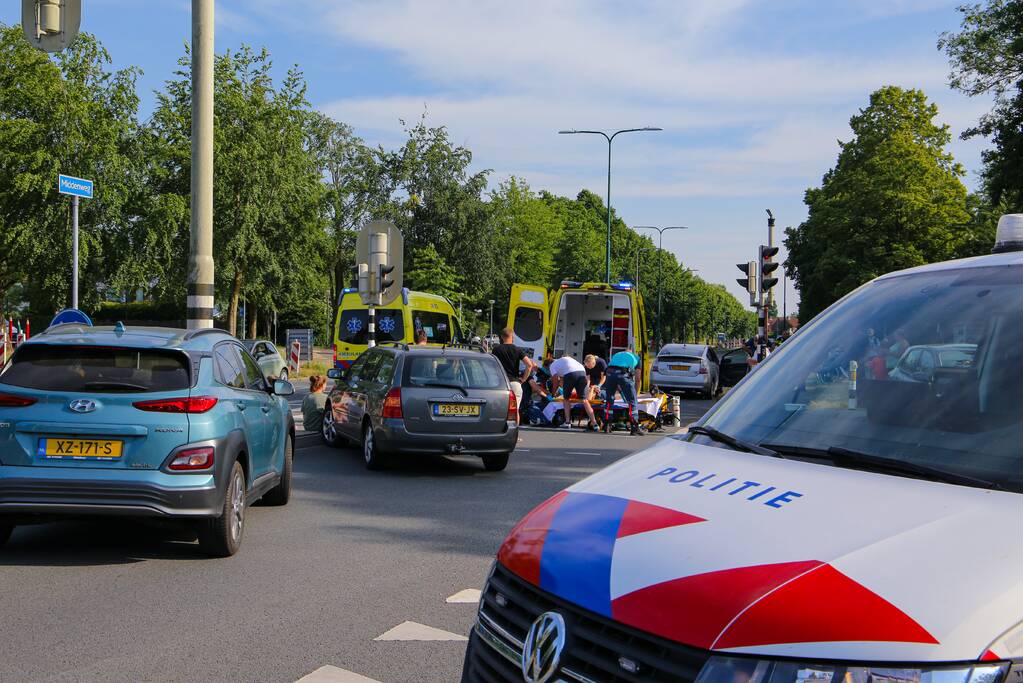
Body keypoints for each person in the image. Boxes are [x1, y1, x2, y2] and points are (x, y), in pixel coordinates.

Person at [491, 327, 536, 419]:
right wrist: (523, 379)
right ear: (512, 336)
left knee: (499, 411)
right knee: (515, 412)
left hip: (500, 384)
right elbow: (529, 365)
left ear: (501, 337)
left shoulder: (496, 350)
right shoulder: (517, 350)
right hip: (514, 383)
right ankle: (514, 431)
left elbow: (491, 366)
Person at [549, 354, 599, 430]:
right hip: (582, 372)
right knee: (584, 400)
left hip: (571, 374)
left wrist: (553, 393)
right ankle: (595, 423)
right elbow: (562, 380)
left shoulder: (552, 366)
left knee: (566, 399)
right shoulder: (565, 361)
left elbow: (556, 381)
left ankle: (567, 423)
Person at [603, 346, 644, 435]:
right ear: (633, 352)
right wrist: (635, 394)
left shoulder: (616, 355)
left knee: (609, 400)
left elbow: (613, 369)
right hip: (623, 375)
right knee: (632, 402)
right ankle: (634, 427)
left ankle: (607, 425)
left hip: (609, 374)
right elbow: (637, 378)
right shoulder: (636, 357)